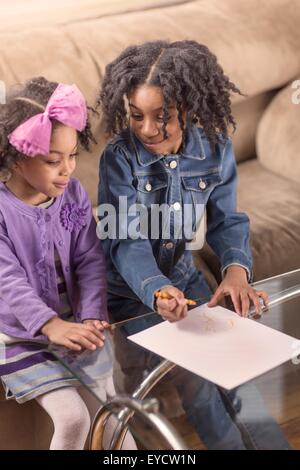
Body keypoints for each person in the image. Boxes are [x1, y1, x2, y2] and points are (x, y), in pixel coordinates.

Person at [97, 40, 289, 449]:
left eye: (161, 116)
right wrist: (157, 290)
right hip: (131, 295)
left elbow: (227, 219)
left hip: (185, 278)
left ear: (187, 107)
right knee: (179, 390)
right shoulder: (119, 157)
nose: (147, 129)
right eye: (136, 116)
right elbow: (125, 239)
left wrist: (236, 271)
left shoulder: (215, 147)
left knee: (236, 376)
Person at [0, 77, 136, 450]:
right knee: (73, 417)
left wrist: (92, 313)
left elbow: (90, 259)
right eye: (52, 160)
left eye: (73, 155)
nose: (68, 169)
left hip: (76, 324)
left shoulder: (73, 193)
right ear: (15, 157)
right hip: (21, 334)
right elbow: (6, 281)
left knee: (113, 413)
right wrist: (50, 324)